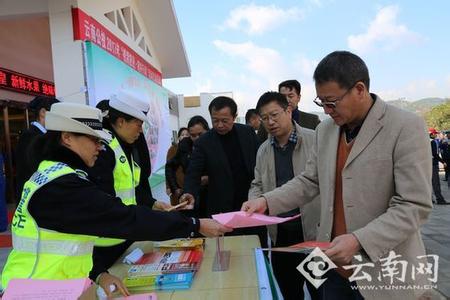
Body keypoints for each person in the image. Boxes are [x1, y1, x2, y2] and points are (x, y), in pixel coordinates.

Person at [242, 51, 433, 300]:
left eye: (332, 102)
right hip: (332, 266)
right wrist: (267, 201)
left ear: (360, 89)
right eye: (321, 103)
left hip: (383, 269)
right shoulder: (326, 130)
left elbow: (413, 205)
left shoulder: (404, 127)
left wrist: (359, 240)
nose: (327, 110)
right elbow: (310, 180)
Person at [1, 102, 231, 296]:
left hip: (54, 287)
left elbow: (71, 240)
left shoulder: (55, 175)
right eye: (94, 140)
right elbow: (125, 217)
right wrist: (194, 224)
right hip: (36, 291)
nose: (100, 147)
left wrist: (98, 274)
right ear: (67, 137)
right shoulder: (60, 187)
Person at [87, 90, 172, 282]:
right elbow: (104, 203)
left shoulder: (123, 146)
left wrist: (153, 204)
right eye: (138, 124)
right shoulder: (104, 149)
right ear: (120, 122)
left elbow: (132, 190)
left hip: (123, 236)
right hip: (105, 244)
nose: (140, 130)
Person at [249, 91, 320, 300]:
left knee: (320, 289)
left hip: (313, 234)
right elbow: (257, 183)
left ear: (289, 110)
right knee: (289, 291)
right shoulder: (263, 149)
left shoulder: (314, 140)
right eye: (264, 118)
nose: (270, 122)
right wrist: (254, 199)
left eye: (274, 115)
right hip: (280, 236)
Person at [181, 96, 266, 244]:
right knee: (227, 251)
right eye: (215, 120)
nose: (219, 125)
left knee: (256, 246)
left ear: (234, 117)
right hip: (222, 208)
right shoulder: (204, 142)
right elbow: (193, 172)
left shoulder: (247, 133)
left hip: (250, 203)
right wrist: (189, 192)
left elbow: (261, 163)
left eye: (225, 120)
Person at [15, 96, 59, 200]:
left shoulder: (38, 135)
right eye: (57, 114)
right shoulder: (31, 137)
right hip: (34, 197)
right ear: (43, 112)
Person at [165, 116, 209, 215]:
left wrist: (210, 178)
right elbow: (170, 166)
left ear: (208, 131)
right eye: (193, 135)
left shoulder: (214, 144)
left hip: (211, 196)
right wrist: (175, 188)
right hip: (191, 194)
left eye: (200, 134)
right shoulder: (185, 144)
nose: (197, 138)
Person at [166, 127, 189, 205]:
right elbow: (168, 169)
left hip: (186, 184)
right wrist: (168, 187)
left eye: (187, 135)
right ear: (179, 137)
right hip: (175, 185)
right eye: (182, 135)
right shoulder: (173, 149)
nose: (185, 136)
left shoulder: (192, 148)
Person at [430, 128, 447, 204]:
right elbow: (435, 154)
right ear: (431, 134)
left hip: (427, 163)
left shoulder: (424, 141)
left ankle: (430, 199)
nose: (436, 135)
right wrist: (443, 162)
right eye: (435, 134)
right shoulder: (433, 142)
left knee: (429, 182)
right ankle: (439, 199)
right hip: (433, 164)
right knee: (436, 182)